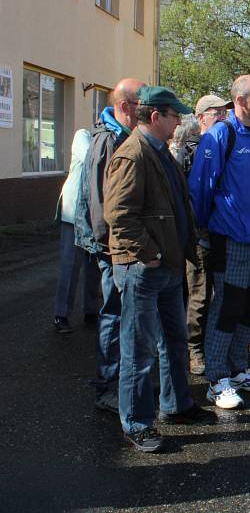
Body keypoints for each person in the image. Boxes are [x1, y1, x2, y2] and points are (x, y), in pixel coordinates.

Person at [104, 86, 212, 453]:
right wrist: (147, 253)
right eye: (173, 115)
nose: (179, 121)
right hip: (143, 268)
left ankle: (177, 405)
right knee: (139, 349)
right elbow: (118, 214)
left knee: (173, 341)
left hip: (166, 266)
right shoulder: (132, 155)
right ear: (155, 117)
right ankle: (135, 422)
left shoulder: (159, 152)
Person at [189, 75, 250, 410]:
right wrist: (204, 228)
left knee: (249, 306)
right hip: (231, 236)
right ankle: (217, 378)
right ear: (241, 100)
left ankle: (238, 369)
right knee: (226, 306)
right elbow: (201, 186)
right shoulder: (222, 134)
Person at [74, 78, 144, 413]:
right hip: (111, 247)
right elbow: (101, 203)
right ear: (126, 106)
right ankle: (106, 386)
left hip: (119, 245)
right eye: (141, 103)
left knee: (119, 314)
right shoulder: (108, 140)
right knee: (113, 314)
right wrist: (110, 246)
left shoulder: (123, 136)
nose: (146, 110)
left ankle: (118, 382)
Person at [183, 94, 233, 376]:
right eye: (217, 113)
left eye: (226, 113)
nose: (224, 118)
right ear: (201, 117)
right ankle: (194, 349)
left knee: (224, 294)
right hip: (199, 234)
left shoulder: (228, 146)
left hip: (224, 232)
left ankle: (217, 348)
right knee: (199, 295)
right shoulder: (189, 150)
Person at [53, 128, 101, 333]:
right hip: (73, 212)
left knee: (94, 265)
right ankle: (61, 314)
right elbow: (93, 158)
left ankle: (91, 310)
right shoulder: (83, 135)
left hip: (94, 213)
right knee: (70, 265)